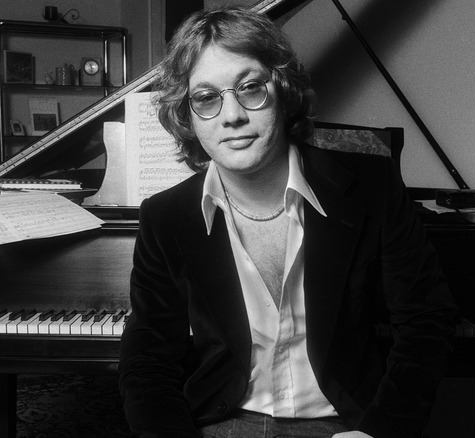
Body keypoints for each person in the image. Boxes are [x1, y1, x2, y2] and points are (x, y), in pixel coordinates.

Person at [119, 6, 457, 438]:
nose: (232, 116)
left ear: (282, 89)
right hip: (221, 420)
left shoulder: (373, 186)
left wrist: (382, 430)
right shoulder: (164, 216)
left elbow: (426, 321)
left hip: (344, 423)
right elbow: (147, 359)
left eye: (250, 88)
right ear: (186, 116)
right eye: (206, 98)